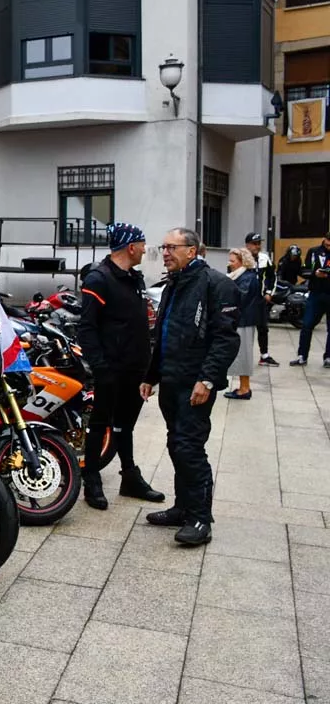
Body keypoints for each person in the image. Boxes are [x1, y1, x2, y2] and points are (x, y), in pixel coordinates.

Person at [141, 228, 240, 546]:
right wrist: (150, 375)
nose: (165, 252)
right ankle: (182, 508)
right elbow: (165, 333)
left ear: (192, 250)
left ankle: (200, 518)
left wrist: (207, 379)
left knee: (189, 448)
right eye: (163, 246)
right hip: (171, 379)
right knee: (176, 444)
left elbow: (226, 339)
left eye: (172, 247)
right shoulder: (174, 283)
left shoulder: (217, 284)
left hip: (195, 384)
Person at [75, 223, 164, 510]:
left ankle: (129, 477)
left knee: (126, 425)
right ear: (130, 246)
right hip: (110, 368)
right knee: (100, 424)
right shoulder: (99, 279)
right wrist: (100, 366)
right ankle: (91, 479)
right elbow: (86, 327)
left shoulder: (133, 278)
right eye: (142, 244)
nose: (145, 249)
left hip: (135, 367)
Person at [224, 247, 262, 400]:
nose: (230, 263)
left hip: (244, 321)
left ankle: (245, 389)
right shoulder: (242, 275)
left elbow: (241, 298)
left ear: (242, 262)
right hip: (242, 320)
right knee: (240, 354)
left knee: (243, 355)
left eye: (233, 261)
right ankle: (243, 387)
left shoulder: (247, 277)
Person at [290, 232, 330, 368]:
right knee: (306, 324)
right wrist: (315, 273)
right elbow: (305, 271)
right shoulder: (313, 252)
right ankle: (302, 356)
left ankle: (328, 357)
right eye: (328, 243)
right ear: (324, 239)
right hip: (315, 293)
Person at [244, 233, 279, 366]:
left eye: (259, 243)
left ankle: (264, 355)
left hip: (260, 299)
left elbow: (272, 276)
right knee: (243, 329)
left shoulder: (264, 258)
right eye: (255, 243)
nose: (257, 246)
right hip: (245, 300)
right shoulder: (241, 257)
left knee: (263, 328)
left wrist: (269, 292)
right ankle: (239, 356)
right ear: (247, 245)